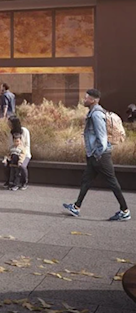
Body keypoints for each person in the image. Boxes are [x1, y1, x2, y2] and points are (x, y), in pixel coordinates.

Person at [63, 88, 130, 221]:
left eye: (86, 98)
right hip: (95, 154)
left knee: (112, 182)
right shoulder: (93, 112)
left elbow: (102, 136)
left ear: (93, 100)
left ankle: (125, 210)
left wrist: (98, 153)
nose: (84, 99)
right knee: (86, 180)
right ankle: (76, 207)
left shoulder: (96, 115)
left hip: (100, 155)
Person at [4, 116, 31, 190]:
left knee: (22, 166)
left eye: (9, 123)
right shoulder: (10, 133)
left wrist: (21, 154)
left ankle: (24, 182)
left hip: (24, 153)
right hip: (13, 153)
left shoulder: (24, 131)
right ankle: (9, 181)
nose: (8, 125)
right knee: (5, 164)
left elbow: (27, 145)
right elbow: (10, 146)